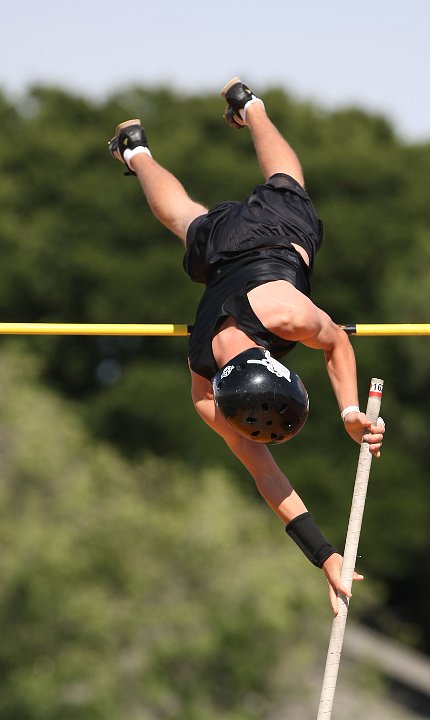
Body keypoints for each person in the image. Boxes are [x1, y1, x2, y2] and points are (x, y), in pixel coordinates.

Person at [108, 77, 385, 614]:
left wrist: (349, 411)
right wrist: (323, 555)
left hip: (276, 236)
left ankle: (249, 108)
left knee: (287, 182)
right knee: (183, 218)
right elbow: (265, 473)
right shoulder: (207, 385)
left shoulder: (289, 315)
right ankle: (137, 150)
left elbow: (336, 348)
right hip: (222, 262)